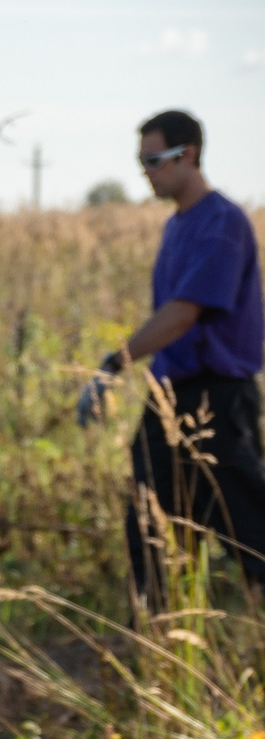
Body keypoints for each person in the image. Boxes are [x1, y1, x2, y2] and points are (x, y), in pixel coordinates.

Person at [77, 109, 265, 602]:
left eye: (154, 160)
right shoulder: (176, 226)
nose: (146, 172)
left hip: (218, 402)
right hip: (168, 397)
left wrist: (114, 362)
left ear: (189, 155)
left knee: (249, 532)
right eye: (141, 162)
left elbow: (182, 314)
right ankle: (158, 644)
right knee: (149, 524)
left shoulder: (222, 224)